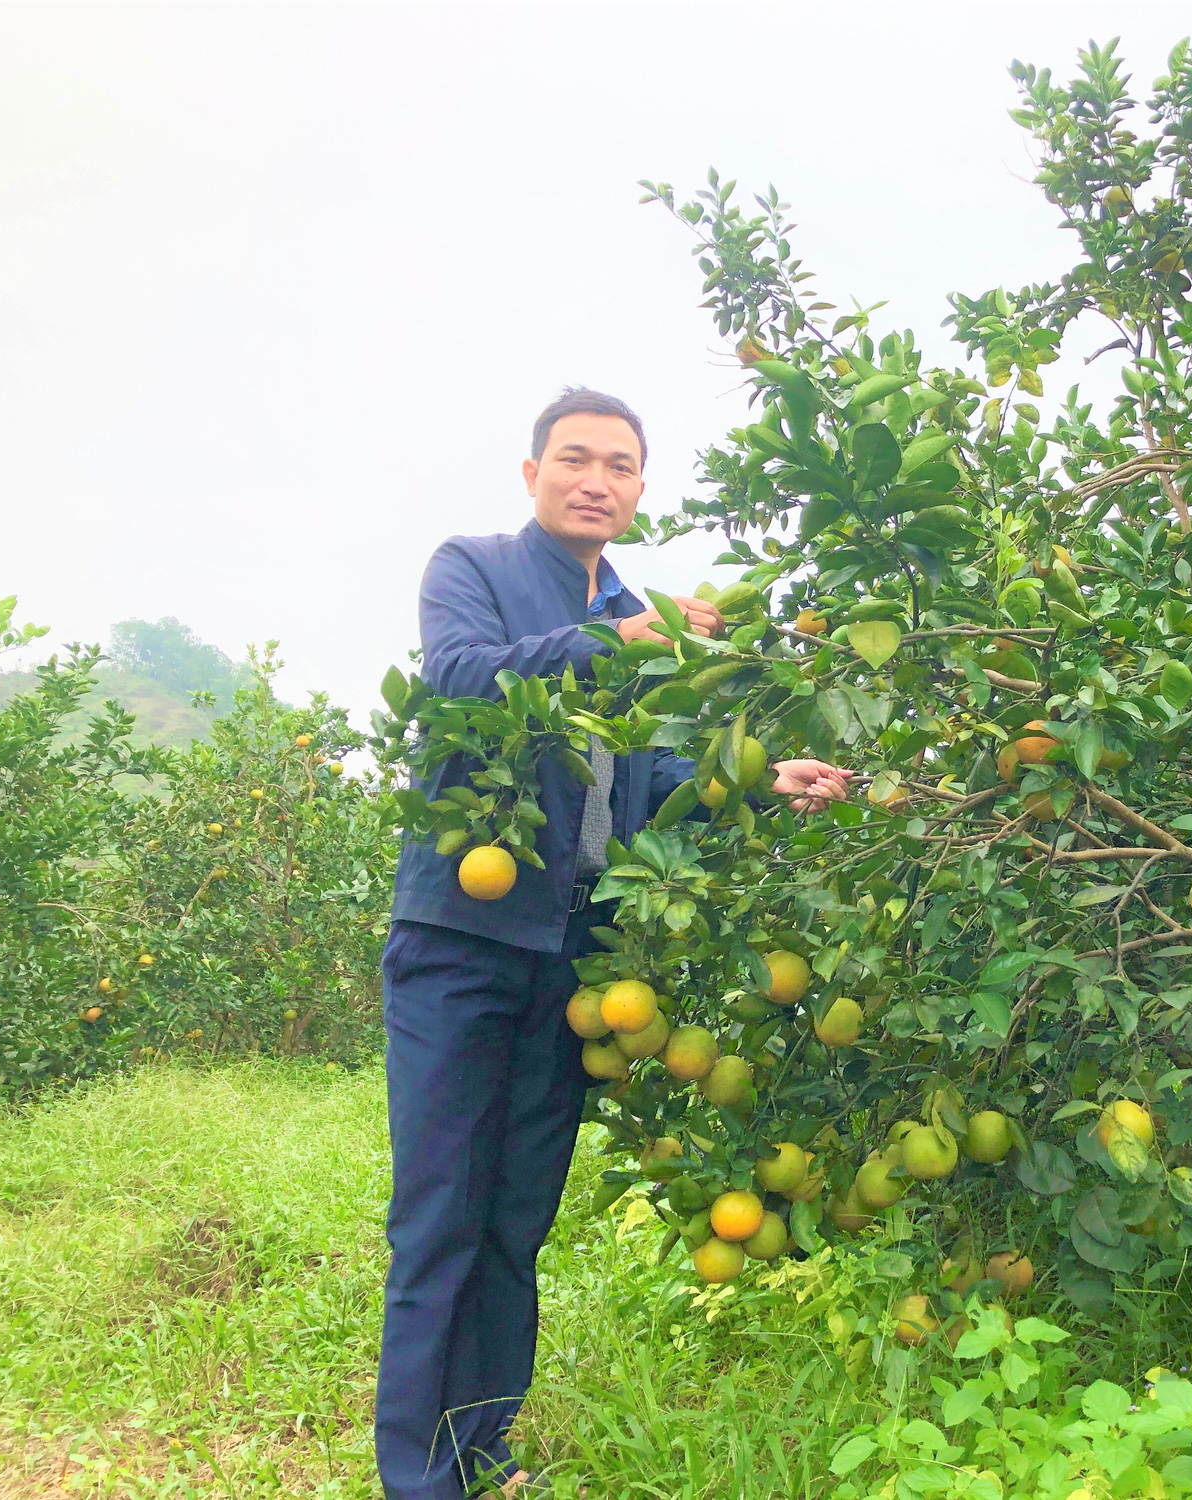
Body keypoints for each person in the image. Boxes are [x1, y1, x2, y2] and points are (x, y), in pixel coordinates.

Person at [375, 387, 851, 1499]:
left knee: (514, 1218)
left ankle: (481, 1452)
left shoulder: (646, 616)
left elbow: (654, 781)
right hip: (461, 939)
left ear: (639, 491)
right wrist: (614, 638)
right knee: (440, 1215)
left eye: (620, 467)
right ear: (532, 472)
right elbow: (456, 684)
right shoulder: (475, 568)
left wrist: (759, 782)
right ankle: (418, 1480)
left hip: (578, 961)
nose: (597, 479)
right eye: (576, 459)